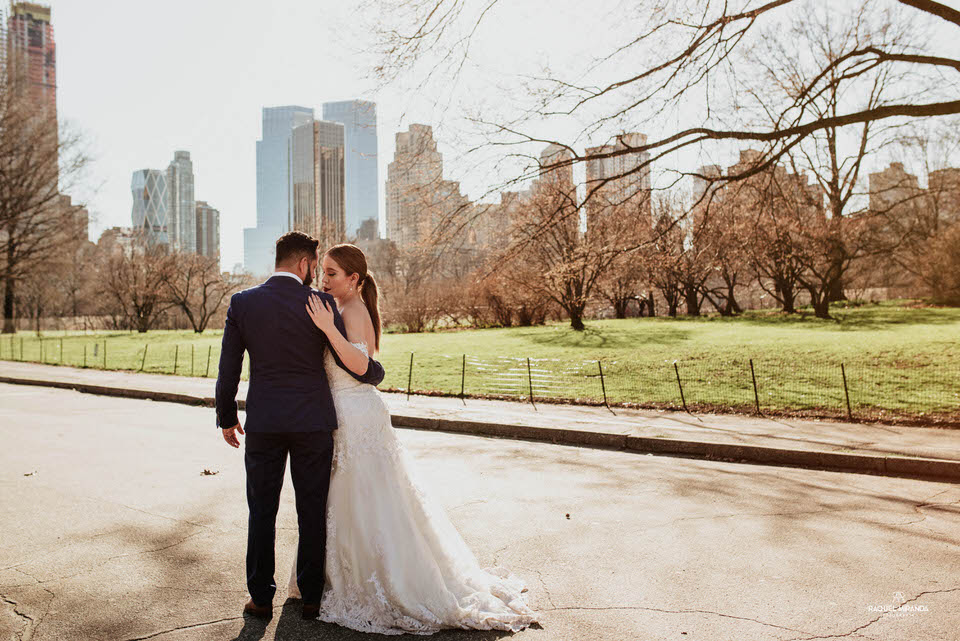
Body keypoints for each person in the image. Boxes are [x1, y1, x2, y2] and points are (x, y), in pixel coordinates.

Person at [287, 242, 538, 634]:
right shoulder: (336, 307)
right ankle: (329, 576)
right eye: (324, 272)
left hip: (357, 414)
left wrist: (325, 329)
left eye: (333, 274)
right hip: (343, 414)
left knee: (368, 499)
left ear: (354, 280)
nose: (325, 279)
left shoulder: (352, 311)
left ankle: (385, 582)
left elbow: (361, 365)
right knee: (342, 497)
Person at [215, 232, 386, 621]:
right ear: (306, 264)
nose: (319, 276)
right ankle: (311, 598)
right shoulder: (322, 304)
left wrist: (227, 417)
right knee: (312, 511)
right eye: (316, 267)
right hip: (313, 423)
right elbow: (352, 366)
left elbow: (229, 369)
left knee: (261, 511)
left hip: (264, 424)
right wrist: (375, 372)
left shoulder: (243, 303)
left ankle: (260, 599)